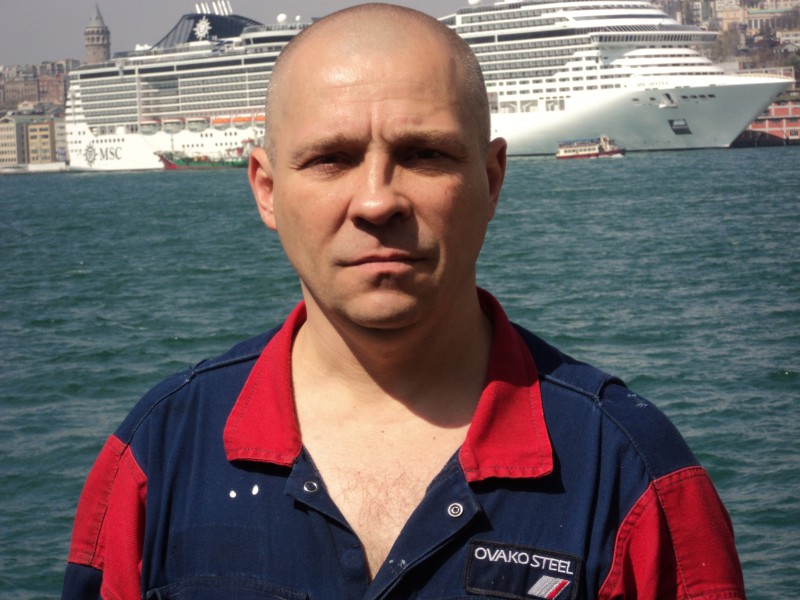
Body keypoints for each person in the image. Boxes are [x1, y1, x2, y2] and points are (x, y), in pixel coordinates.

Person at [62, 4, 745, 599]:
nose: (376, 201)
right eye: (330, 159)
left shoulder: (633, 472)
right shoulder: (154, 458)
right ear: (266, 190)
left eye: (424, 155)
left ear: (492, 179)